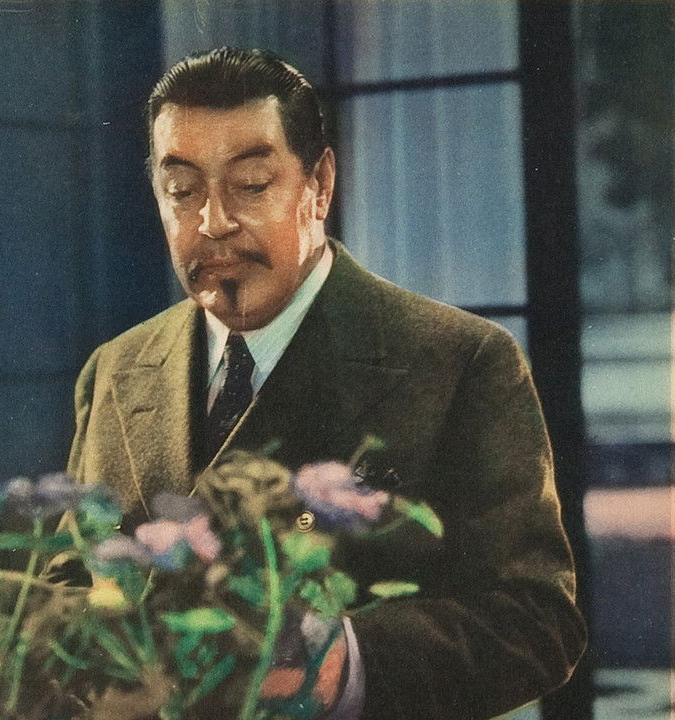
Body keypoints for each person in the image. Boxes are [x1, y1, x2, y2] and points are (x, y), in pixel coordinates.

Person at [68, 48, 586, 719]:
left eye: (251, 184)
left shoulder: (461, 362)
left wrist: (338, 662)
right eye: (182, 191)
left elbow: (537, 622)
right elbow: (69, 581)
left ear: (319, 185)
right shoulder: (114, 369)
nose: (213, 222)